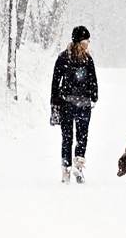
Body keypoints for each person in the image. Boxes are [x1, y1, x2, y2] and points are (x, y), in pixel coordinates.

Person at [50, 25, 99, 183]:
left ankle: (68, 169)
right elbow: (93, 81)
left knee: (68, 137)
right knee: (81, 137)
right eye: (86, 41)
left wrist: (55, 100)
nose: (88, 43)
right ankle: (76, 166)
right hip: (80, 104)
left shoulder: (64, 57)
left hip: (68, 103)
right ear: (79, 41)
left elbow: (56, 82)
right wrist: (94, 96)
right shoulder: (86, 59)